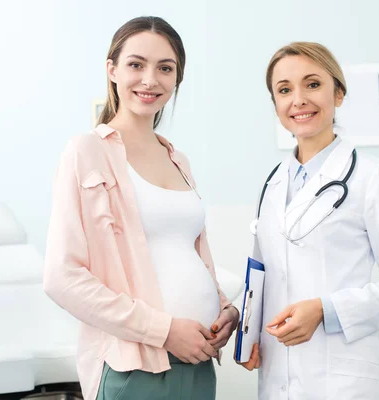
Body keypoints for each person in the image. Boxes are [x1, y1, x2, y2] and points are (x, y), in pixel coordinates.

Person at [43, 16, 239, 400]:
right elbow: (61, 278)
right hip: (134, 367)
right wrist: (164, 331)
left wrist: (225, 309)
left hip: (198, 360)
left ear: (177, 79)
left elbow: (185, 253)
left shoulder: (178, 159)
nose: (150, 80)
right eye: (136, 65)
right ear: (112, 70)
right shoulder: (87, 151)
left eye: (165, 68)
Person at [239, 42, 379, 399]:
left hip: (344, 379)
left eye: (312, 84)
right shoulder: (272, 183)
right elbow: (262, 276)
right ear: (276, 104)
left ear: (338, 94)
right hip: (277, 376)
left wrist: (326, 310)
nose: (298, 99)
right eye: (284, 90)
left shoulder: (373, 176)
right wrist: (246, 334)